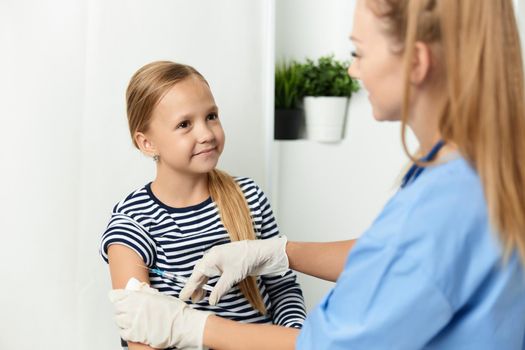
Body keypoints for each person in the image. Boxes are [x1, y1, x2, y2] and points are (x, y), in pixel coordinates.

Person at [108, 0, 525, 349]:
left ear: (415, 62)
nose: (351, 71)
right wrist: (281, 252)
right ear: (146, 142)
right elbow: (389, 258)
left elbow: (327, 342)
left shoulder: (448, 201)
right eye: (184, 124)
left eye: (357, 52)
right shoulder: (462, 177)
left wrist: (190, 326)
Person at [100, 61, 307, 350]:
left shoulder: (249, 196)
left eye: (211, 116)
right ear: (147, 143)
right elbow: (138, 333)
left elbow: (283, 288)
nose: (207, 133)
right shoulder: (133, 222)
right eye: (184, 124)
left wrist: (294, 335)